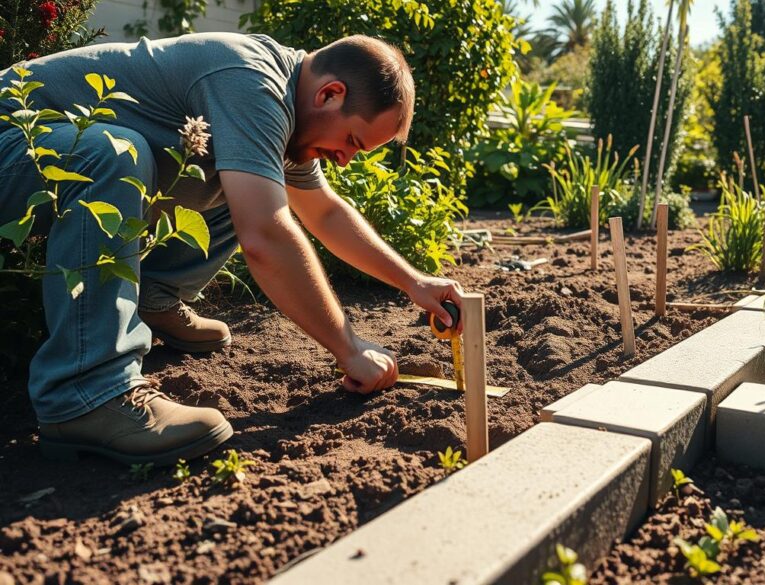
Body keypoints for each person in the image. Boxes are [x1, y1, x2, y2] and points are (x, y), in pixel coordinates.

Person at [0, 32, 463, 466]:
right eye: (351, 142)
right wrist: (349, 349)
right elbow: (265, 236)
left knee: (242, 179)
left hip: (43, 151)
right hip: (12, 135)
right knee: (116, 153)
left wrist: (413, 281)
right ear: (330, 94)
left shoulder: (290, 111)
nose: (344, 159)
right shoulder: (251, 81)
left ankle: (153, 296)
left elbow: (323, 213)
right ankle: (85, 393)